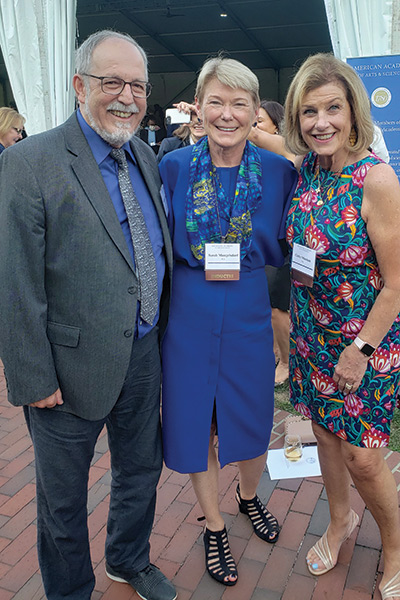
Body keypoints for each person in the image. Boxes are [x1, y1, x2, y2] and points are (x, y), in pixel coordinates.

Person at [0, 30, 175, 600]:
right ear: (79, 86)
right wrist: (32, 377)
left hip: (143, 353)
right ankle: (71, 591)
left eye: (137, 86)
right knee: (62, 501)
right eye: (111, 82)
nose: (126, 96)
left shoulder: (145, 154)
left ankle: (128, 560)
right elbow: (15, 280)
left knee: (140, 472)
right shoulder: (30, 161)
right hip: (66, 371)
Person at [159, 56, 298, 586]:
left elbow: (321, 171)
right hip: (191, 309)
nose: (227, 114)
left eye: (240, 103)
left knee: (251, 411)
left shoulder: (279, 171)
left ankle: (246, 497)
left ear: (253, 111)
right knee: (197, 417)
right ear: (199, 106)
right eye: (215, 100)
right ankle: (213, 524)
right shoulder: (171, 166)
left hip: (247, 304)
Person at [284, 53, 400, 600]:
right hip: (311, 336)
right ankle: (339, 521)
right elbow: (269, 142)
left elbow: (398, 285)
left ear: (355, 112)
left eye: (333, 108)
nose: (321, 122)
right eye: (309, 111)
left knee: (364, 456)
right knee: (326, 438)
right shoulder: (308, 166)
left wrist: (360, 348)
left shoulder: (376, 179)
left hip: (365, 343)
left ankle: (395, 544)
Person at [249, 100, 295, 385]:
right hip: (264, 240)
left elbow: (251, 134)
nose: (255, 128)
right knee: (269, 305)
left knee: (279, 307)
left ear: (275, 127)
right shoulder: (252, 159)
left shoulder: (289, 154)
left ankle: (287, 363)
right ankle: (277, 351)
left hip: (286, 244)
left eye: (259, 121)